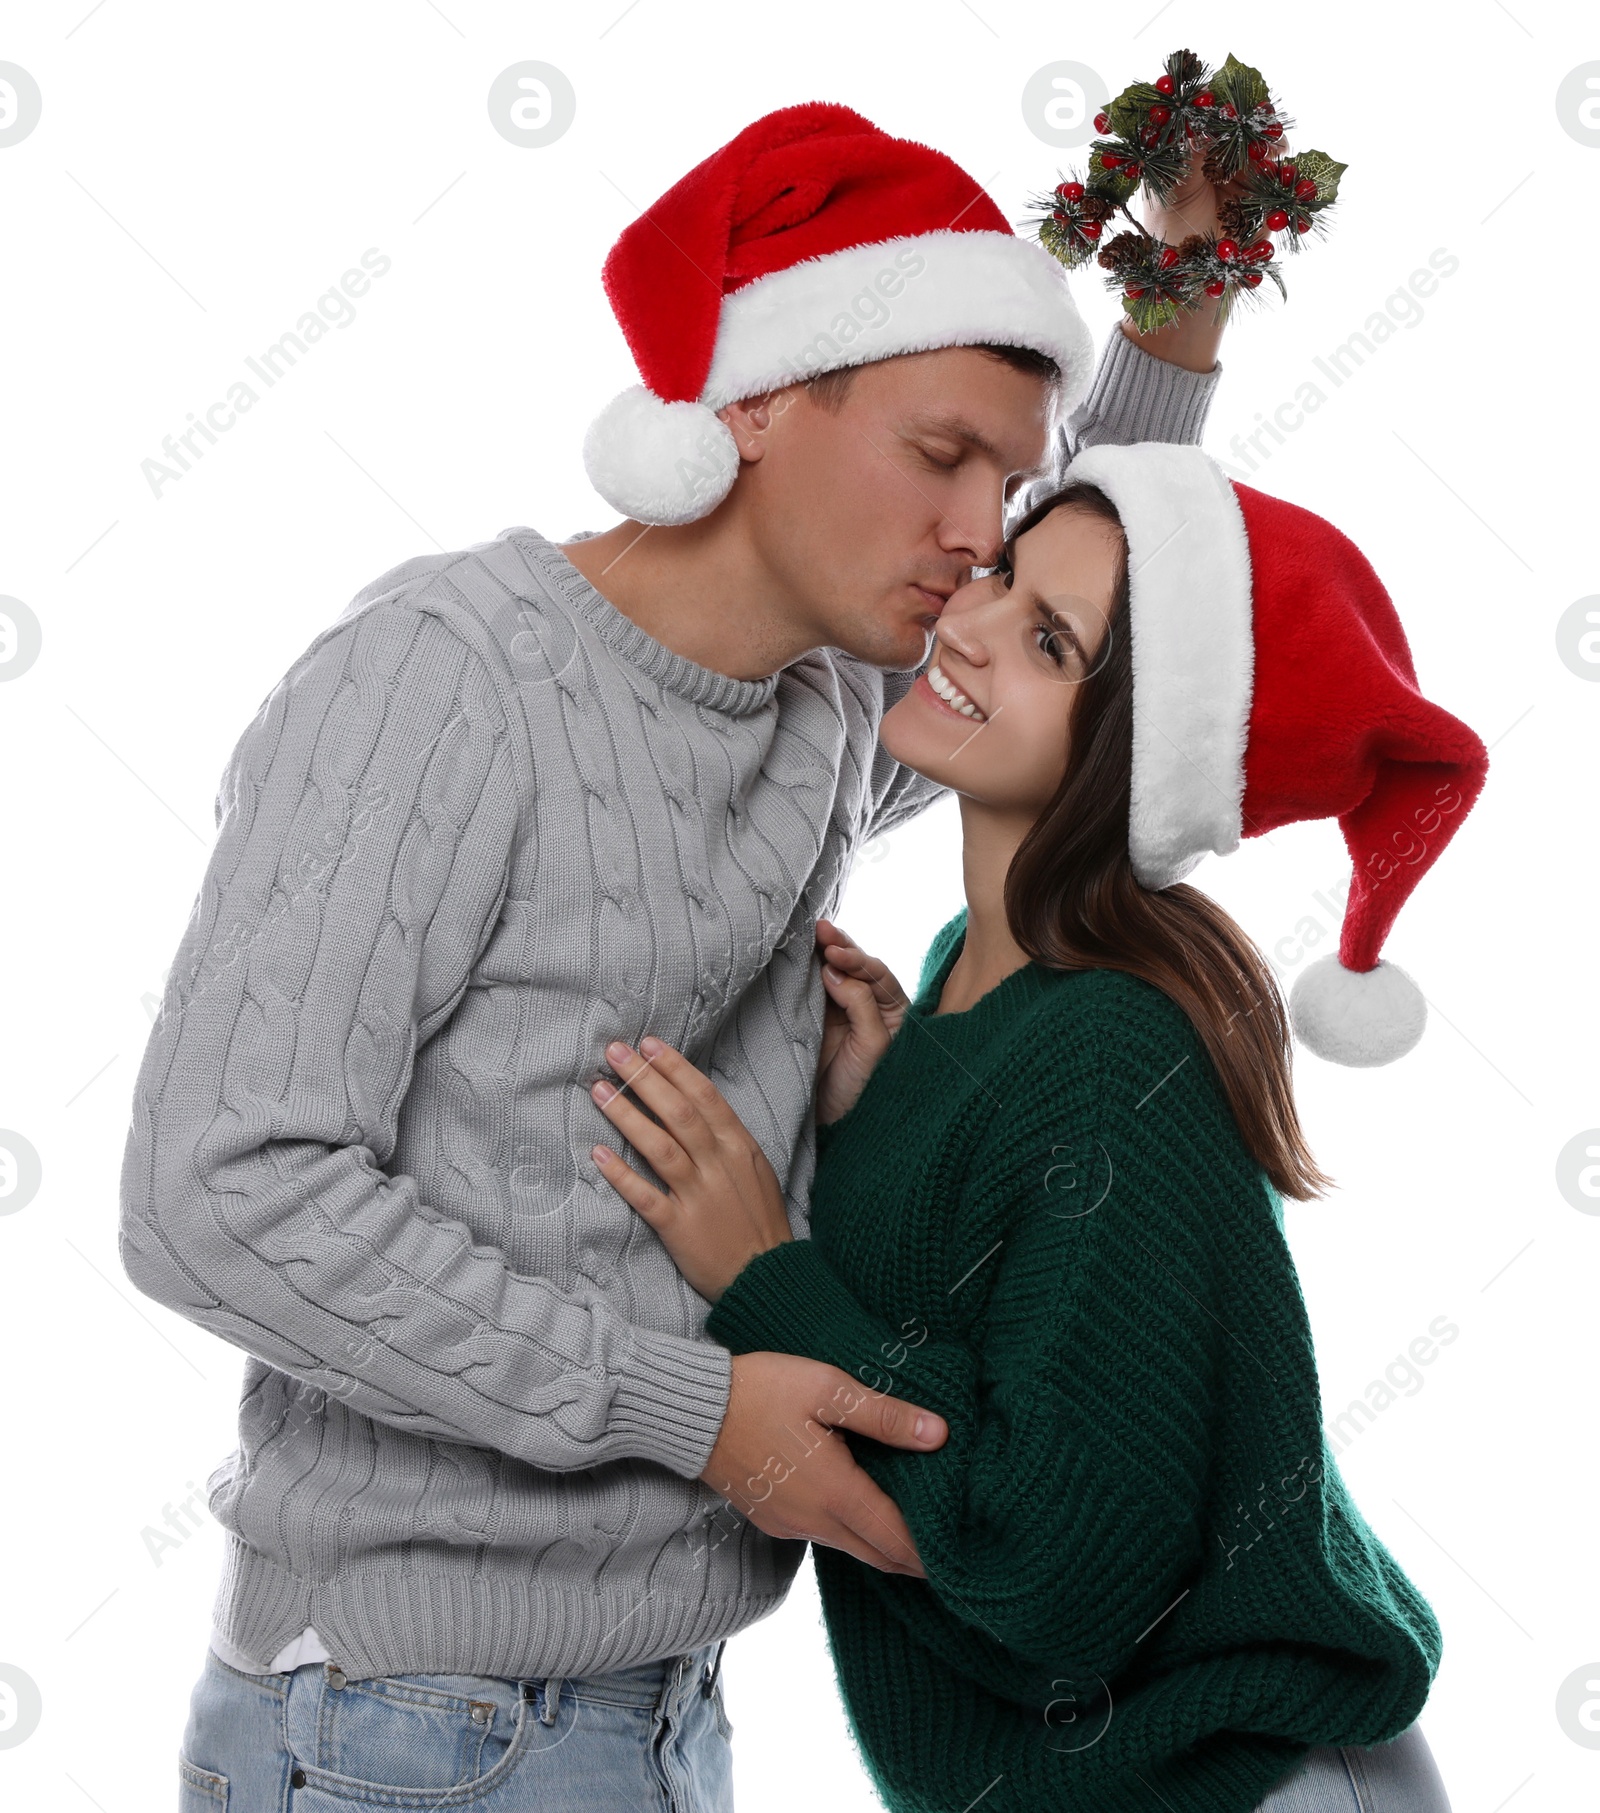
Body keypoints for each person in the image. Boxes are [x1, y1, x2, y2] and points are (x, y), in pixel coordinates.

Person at [121, 103, 1241, 1810]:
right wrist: (697, 1411)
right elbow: (217, 1192)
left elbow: (1080, 596)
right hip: (411, 1724)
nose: (978, 531)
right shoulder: (446, 680)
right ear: (756, 401)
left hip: (653, 1712)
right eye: (942, 456)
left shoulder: (812, 714)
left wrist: (1183, 290)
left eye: (1000, 483)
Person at [583, 441, 1488, 1812]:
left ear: (1139, 749)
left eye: (1051, 638)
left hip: (1231, 1784)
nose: (971, 617)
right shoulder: (967, 971)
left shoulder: (1114, 1044)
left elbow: (1059, 1566)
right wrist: (879, 1119)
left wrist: (767, 1272)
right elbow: (994, 1327)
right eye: (1005, 571)